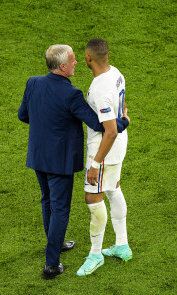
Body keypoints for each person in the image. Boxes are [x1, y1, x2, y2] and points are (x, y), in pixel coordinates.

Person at [18, 44, 129, 280]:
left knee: (47, 200)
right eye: (72, 60)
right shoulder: (72, 94)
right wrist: (123, 122)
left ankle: (55, 244)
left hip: (38, 155)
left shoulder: (33, 82)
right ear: (62, 66)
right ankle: (51, 264)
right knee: (59, 208)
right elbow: (100, 124)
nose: (76, 62)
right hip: (60, 161)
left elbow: (23, 115)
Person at [76, 38, 132, 276]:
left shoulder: (100, 89)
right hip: (119, 144)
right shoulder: (116, 73)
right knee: (113, 188)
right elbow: (123, 107)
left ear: (89, 59)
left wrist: (95, 163)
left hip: (104, 149)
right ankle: (121, 244)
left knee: (93, 198)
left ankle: (95, 254)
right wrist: (124, 120)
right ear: (107, 56)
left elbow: (109, 130)